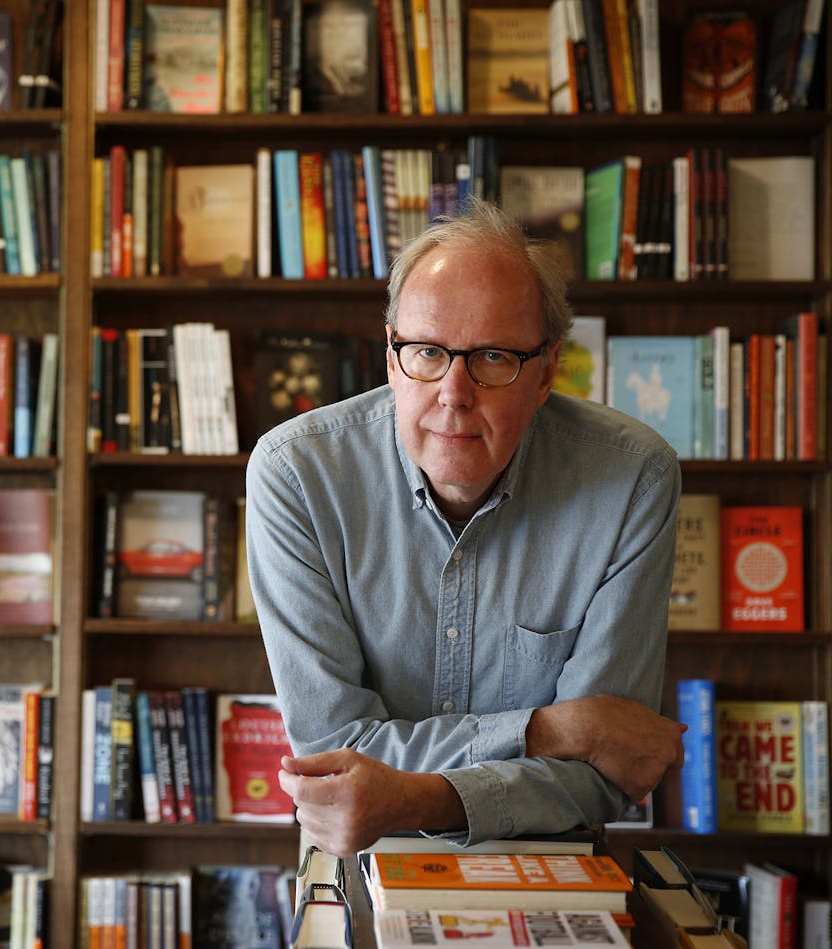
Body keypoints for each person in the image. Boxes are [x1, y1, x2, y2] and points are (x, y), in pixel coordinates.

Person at [245, 199, 688, 857]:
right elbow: (333, 759)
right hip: (360, 871)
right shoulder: (297, 474)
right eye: (426, 351)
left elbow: (604, 773)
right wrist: (555, 728)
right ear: (392, 356)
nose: (454, 392)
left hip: (550, 867)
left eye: (492, 357)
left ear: (544, 372)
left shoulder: (631, 479)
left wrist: (406, 796)